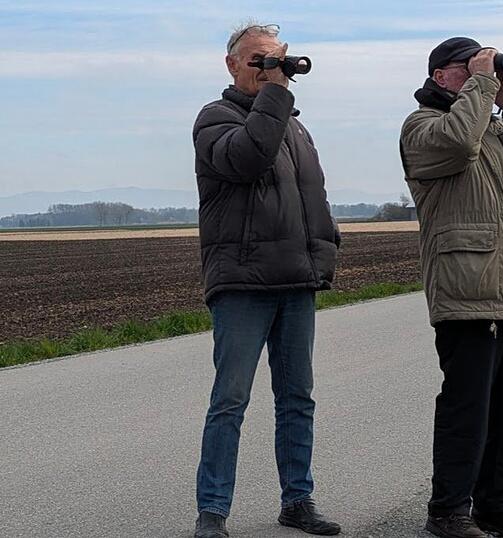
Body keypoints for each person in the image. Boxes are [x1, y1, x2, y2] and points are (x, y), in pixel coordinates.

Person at [399, 37, 503, 538]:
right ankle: (448, 511)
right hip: (467, 292)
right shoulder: (422, 127)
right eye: (467, 66)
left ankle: (496, 505)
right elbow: (457, 144)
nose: (483, 72)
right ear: (438, 77)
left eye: (486, 65)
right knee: (467, 408)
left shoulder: (498, 128)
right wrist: (484, 82)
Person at [191, 21, 342, 538]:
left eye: (277, 59)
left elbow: (311, 200)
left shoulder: (295, 128)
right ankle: (212, 512)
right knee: (230, 401)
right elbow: (249, 156)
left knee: (297, 398)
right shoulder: (215, 118)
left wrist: (325, 254)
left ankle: (297, 501)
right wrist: (276, 93)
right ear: (232, 65)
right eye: (258, 59)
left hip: (295, 282)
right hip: (241, 285)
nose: (270, 68)